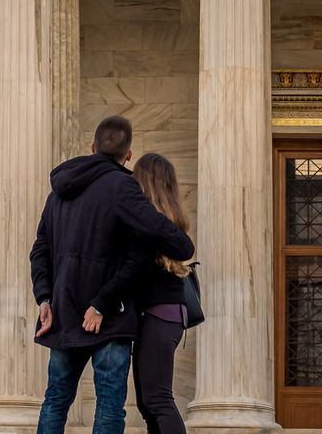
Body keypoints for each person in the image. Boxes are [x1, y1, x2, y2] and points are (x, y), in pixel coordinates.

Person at [31, 116, 194, 434]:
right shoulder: (124, 187)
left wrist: (44, 297)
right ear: (129, 154)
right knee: (108, 407)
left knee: (54, 402)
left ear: (92, 147)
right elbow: (175, 245)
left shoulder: (56, 195)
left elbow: (39, 252)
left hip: (63, 312)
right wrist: (102, 304)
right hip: (109, 316)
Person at [97, 153, 195, 434]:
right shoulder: (165, 221)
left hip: (159, 317)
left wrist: (101, 302)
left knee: (157, 400)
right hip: (164, 317)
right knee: (148, 402)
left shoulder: (147, 224)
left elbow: (134, 269)